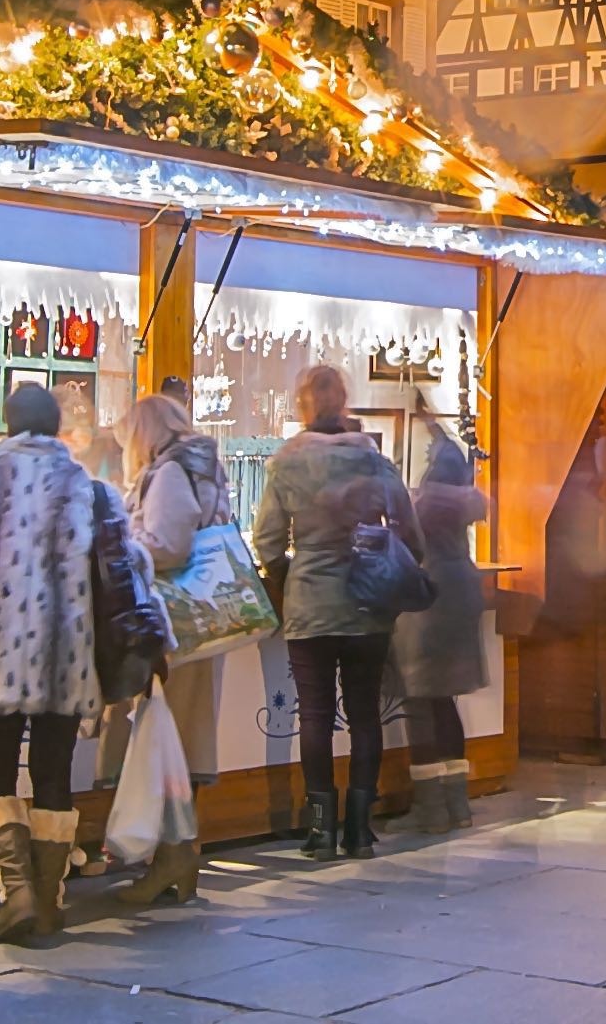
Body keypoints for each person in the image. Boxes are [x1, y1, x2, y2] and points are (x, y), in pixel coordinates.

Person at [0, 381, 167, 944]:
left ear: (6, 426)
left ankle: (17, 895)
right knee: (53, 774)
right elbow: (124, 576)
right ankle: (51, 903)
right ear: (57, 428)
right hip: (66, 656)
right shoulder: (93, 493)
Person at [252, 363, 423, 859]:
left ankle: (321, 830)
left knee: (316, 716)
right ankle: (360, 829)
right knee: (365, 714)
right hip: (368, 602)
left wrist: (291, 579)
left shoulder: (286, 463)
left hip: (310, 604)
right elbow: (412, 534)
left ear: (302, 404)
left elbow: (267, 541)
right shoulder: (373, 461)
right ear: (344, 402)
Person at [110, 392, 233, 904]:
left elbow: (168, 545)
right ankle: (178, 857)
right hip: (203, 620)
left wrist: (123, 541)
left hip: (174, 625)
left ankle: (172, 858)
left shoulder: (168, 474)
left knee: (168, 742)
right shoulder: (205, 468)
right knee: (182, 740)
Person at [393, 429, 489, 834]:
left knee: (418, 701)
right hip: (461, 593)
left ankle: (430, 808)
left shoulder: (425, 505)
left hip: (427, 599)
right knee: (445, 701)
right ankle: (457, 804)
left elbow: (402, 545)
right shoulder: (462, 507)